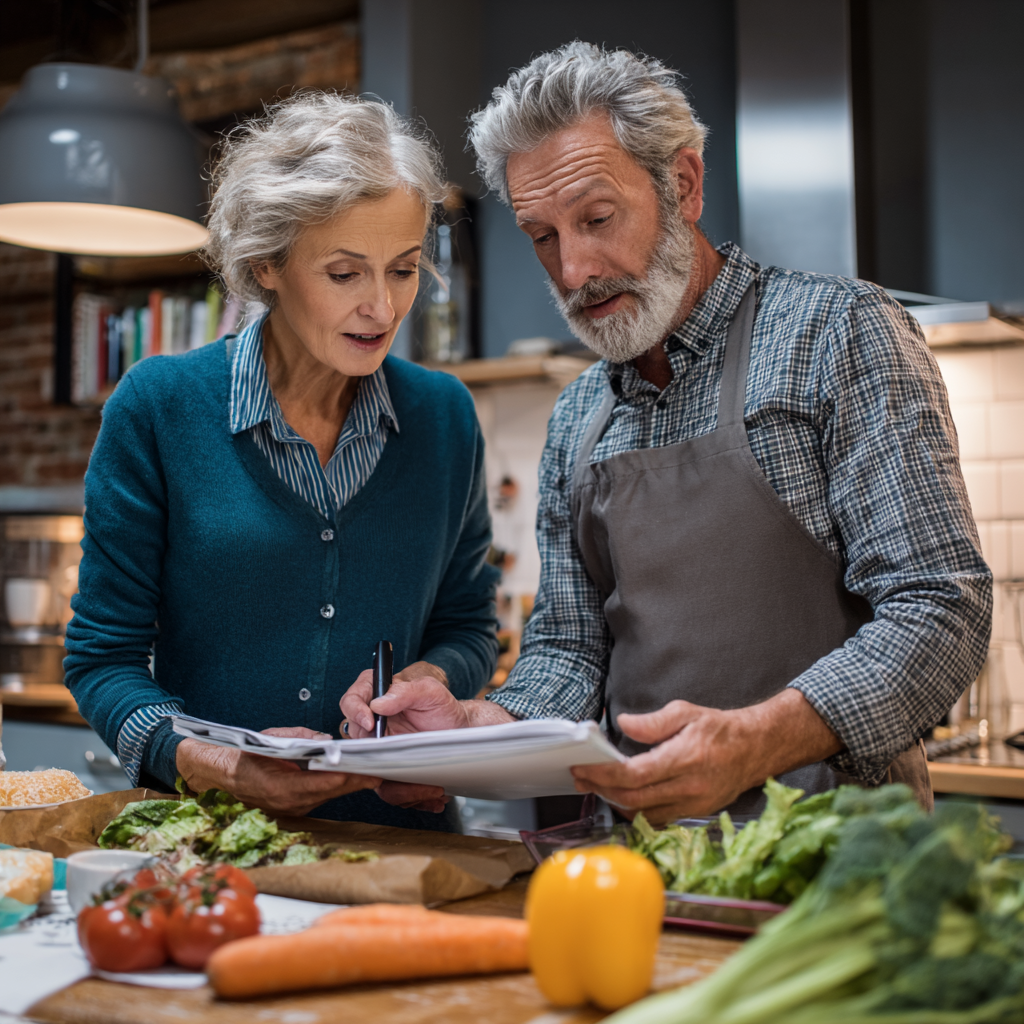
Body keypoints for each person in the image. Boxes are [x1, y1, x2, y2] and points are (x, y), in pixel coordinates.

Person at [341, 43, 992, 822]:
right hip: (646, 863)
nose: (574, 269)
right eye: (542, 235)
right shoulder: (579, 416)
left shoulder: (837, 332)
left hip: (840, 867)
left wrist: (761, 738)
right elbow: (569, 653)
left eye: (598, 217)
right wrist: (476, 731)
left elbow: (941, 605)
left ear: (682, 184)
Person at [65, 93, 499, 831]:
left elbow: (468, 626)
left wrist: (427, 686)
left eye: (402, 269)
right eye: (344, 274)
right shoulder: (160, 408)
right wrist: (220, 766)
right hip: (210, 850)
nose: (383, 308)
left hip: (402, 852)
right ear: (266, 262)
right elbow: (101, 661)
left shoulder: (444, 417)